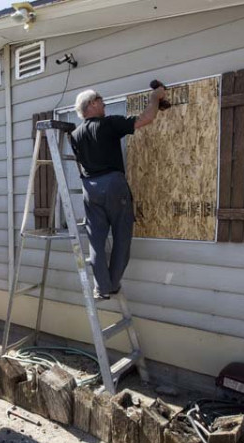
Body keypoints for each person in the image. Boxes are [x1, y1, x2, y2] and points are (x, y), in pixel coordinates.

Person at [69, 85, 166, 300]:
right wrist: (155, 98)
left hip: (90, 189)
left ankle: (101, 288)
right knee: (122, 237)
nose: (104, 104)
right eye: (101, 100)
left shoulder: (75, 135)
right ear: (92, 103)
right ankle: (112, 285)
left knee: (96, 241)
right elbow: (145, 119)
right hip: (113, 185)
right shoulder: (109, 123)